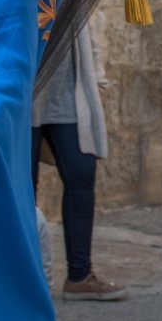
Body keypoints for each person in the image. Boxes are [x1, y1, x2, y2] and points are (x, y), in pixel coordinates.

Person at [32, 24, 124, 301]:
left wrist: (98, 80)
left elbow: (87, 27)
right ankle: (28, 279)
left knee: (82, 174)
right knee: (23, 187)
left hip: (71, 92)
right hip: (26, 95)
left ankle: (80, 275)